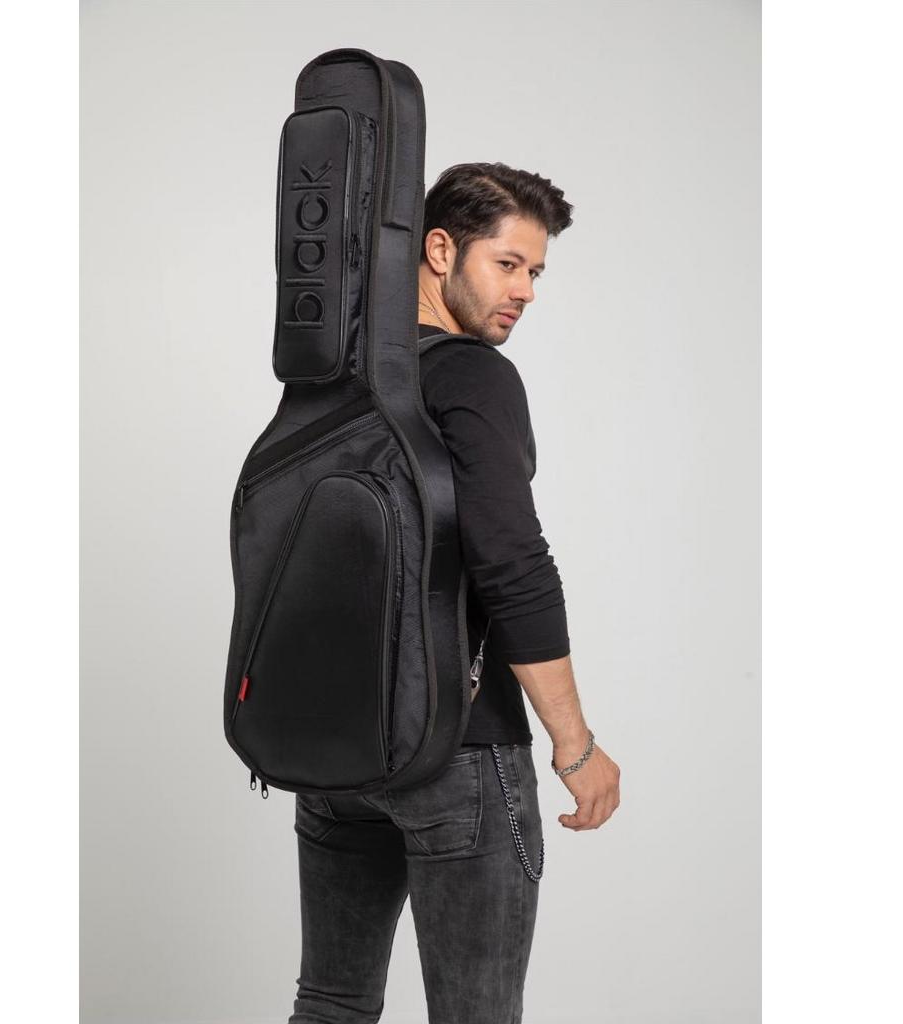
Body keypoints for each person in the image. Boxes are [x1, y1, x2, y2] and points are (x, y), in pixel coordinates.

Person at [288, 163, 621, 1024]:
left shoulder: (335, 375)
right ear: (439, 250)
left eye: (535, 271)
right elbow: (512, 562)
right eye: (508, 264)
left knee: (330, 1005)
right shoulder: (473, 375)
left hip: (334, 749)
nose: (526, 291)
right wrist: (575, 745)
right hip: (457, 751)